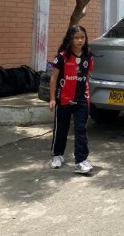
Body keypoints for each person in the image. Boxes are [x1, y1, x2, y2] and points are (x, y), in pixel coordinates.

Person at [48, 25, 94, 174]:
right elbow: (53, 78)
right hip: (63, 99)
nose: (80, 40)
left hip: (81, 99)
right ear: (70, 39)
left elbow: (87, 77)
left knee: (81, 129)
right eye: (76, 38)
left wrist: (88, 96)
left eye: (82, 37)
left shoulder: (88, 56)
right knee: (61, 128)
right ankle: (57, 155)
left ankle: (81, 161)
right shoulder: (62, 57)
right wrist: (52, 99)